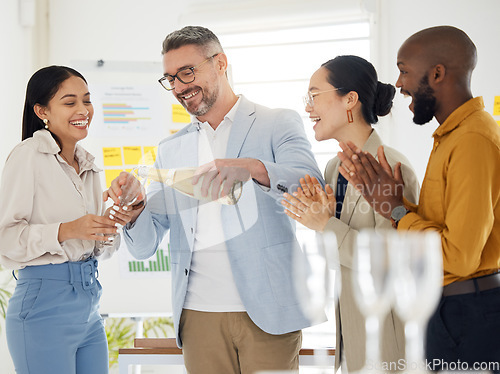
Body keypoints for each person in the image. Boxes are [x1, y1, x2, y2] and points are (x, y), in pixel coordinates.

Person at [105, 26, 324, 374]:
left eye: (187, 73)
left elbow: (311, 184)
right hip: (197, 315)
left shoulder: (276, 123)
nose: (178, 87)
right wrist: (135, 209)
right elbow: (145, 246)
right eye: (170, 78)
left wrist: (252, 168)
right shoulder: (170, 149)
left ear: (220, 63)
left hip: (268, 310)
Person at [338, 26, 500, 371]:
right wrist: (395, 204)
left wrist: (397, 212)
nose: (398, 84)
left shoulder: (473, 140)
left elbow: (459, 256)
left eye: (404, 70)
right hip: (451, 312)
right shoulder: (451, 137)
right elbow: (442, 230)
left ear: (437, 73)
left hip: (467, 314)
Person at [281, 55, 420, 372]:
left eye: (314, 96)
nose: (308, 108)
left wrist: (325, 224)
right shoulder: (333, 169)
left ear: (350, 100)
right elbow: (340, 260)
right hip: (351, 337)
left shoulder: (392, 167)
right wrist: (321, 223)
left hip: (388, 340)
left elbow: (391, 263)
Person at [0, 66, 132, 374]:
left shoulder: (89, 165)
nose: (83, 110)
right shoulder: (28, 155)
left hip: (89, 306)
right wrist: (67, 230)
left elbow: (101, 249)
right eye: (69, 102)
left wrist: (113, 221)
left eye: (86, 100)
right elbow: (5, 240)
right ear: (42, 110)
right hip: (43, 306)